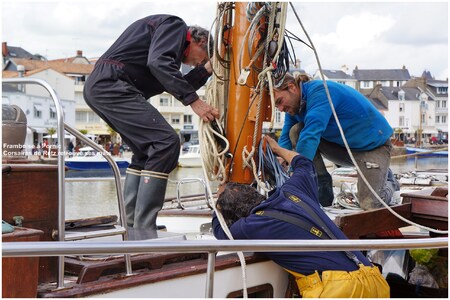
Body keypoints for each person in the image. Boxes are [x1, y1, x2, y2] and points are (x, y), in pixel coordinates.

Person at [84, 15, 219, 239]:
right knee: (166, 142)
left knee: (146, 151)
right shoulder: (175, 26)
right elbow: (158, 63)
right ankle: (145, 229)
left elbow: (175, 79)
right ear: (200, 41)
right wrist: (194, 101)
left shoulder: (167, 54)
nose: (194, 64)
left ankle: (132, 227)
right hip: (112, 85)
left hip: (103, 87)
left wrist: (206, 69)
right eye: (200, 59)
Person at [213, 136, 390, 298]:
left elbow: (221, 232)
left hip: (337, 290)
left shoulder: (251, 225)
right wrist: (277, 149)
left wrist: (218, 203)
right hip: (373, 278)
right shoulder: (293, 190)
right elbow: (304, 163)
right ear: (255, 193)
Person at [273, 72, 399, 210]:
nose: (280, 109)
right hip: (343, 148)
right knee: (295, 131)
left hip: (373, 147)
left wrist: (296, 174)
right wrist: (279, 161)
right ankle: (322, 190)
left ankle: (390, 181)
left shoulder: (321, 92)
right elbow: (286, 136)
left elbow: (311, 135)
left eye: (279, 101)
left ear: (292, 88)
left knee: (369, 204)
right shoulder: (295, 108)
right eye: (276, 106)